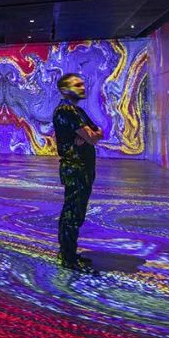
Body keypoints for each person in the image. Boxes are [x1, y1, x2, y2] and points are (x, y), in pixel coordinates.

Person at [52, 73, 103, 272]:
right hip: (76, 168)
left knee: (76, 212)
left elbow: (98, 132)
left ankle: (68, 253)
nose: (83, 87)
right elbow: (92, 137)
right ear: (65, 90)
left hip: (83, 168)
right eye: (77, 85)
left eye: (82, 84)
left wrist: (92, 134)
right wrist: (91, 135)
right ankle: (68, 258)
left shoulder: (77, 111)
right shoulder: (66, 111)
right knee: (72, 214)